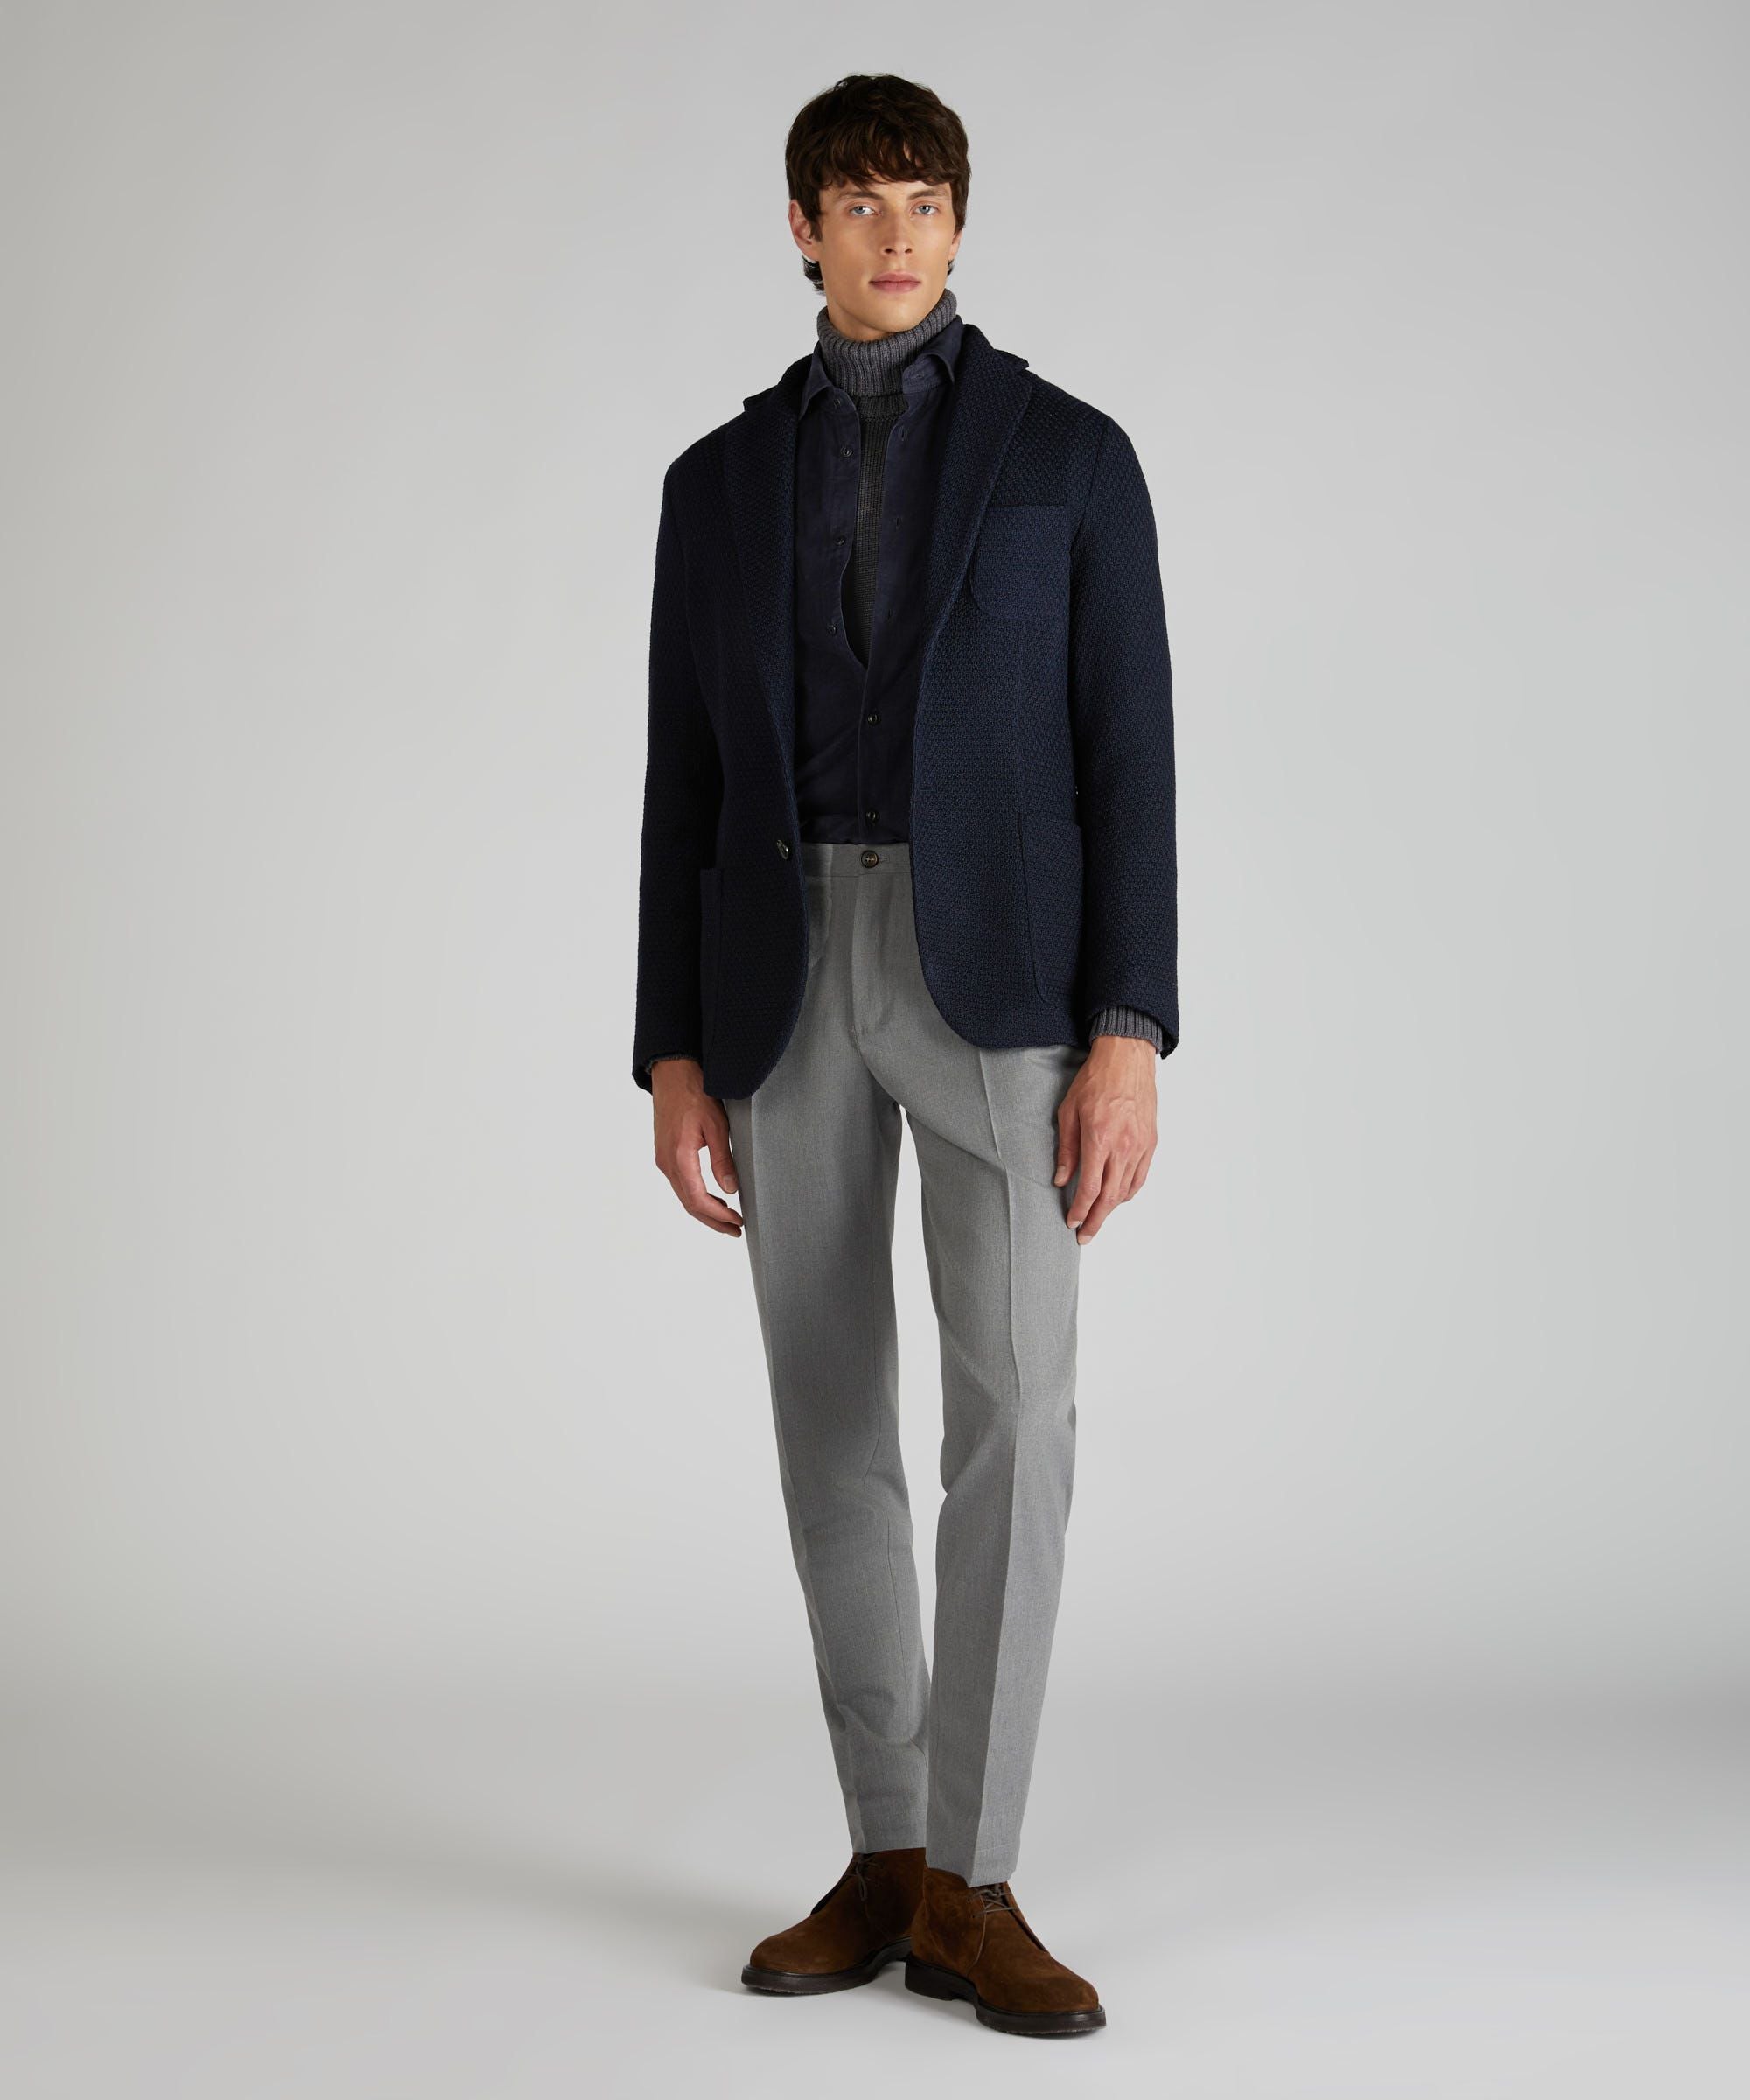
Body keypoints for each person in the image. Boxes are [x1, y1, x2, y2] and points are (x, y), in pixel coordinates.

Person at [631, 72, 1176, 2040]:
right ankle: (884, 1851)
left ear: (959, 223)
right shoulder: (715, 483)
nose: (892, 235)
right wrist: (670, 1051)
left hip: (1000, 982)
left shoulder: (1069, 458)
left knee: (1015, 1411)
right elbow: (681, 778)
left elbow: (1132, 756)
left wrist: (1128, 1031)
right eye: (856, 203)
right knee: (828, 1419)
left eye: (923, 200)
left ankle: (977, 1877)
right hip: (783, 971)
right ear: (802, 230)